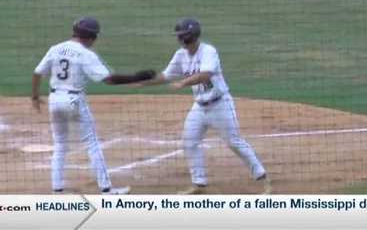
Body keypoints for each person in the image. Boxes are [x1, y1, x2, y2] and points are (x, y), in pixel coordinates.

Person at [140, 18, 271, 194]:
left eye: (180, 36)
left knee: (234, 142)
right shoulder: (181, 55)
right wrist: (142, 82)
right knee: (189, 141)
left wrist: (183, 83)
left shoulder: (209, 51)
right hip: (199, 107)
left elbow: (206, 74)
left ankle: (263, 179)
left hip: (220, 105)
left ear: (188, 37)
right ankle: (198, 183)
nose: (179, 39)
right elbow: (165, 76)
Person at [32, 17, 155, 194]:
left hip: (54, 100)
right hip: (74, 101)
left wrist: (35, 97)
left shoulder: (56, 48)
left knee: (60, 145)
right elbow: (109, 79)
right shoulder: (85, 54)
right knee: (92, 144)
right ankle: (106, 190)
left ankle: (57, 191)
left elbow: (37, 73)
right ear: (91, 37)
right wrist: (136, 77)